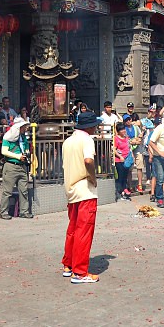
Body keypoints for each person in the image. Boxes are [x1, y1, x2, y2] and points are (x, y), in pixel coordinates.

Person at [62, 112, 100, 284]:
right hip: (85, 189)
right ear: (90, 126)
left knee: (73, 229)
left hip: (71, 189)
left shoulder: (68, 141)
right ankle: (80, 272)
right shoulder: (87, 140)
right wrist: (93, 177)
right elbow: (88, 161)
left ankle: (68, 265)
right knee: (84, 231)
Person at [0, 117, 33, 218]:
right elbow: (4, 151)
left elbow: (26, 148)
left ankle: (24, 211)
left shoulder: (23, 137)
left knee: (24, 190)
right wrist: (18, 156)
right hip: (11, 166)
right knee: (7, 191)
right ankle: (4, 212)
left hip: (22, 166)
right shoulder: (8, 137)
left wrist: (27, 155)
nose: (25, 128)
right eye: (23, 127)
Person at [114, 122, 133, 200]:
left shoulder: (126, 138)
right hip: (119, 160)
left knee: (125, 176)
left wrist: (131, 156)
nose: (124, 131)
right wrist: (120, 156)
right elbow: (114, 149)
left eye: (124, 129)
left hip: (127, 159)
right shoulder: (116, 138)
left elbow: (129, 147)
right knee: (120, 176)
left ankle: (124, 190)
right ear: (118, 131)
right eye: (121, 130)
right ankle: (120, 192)